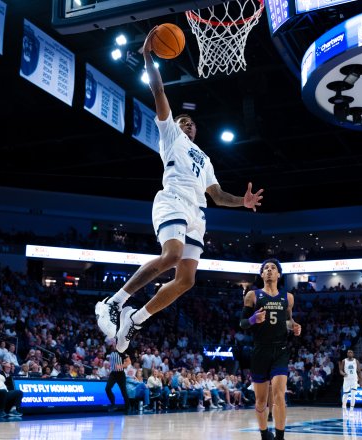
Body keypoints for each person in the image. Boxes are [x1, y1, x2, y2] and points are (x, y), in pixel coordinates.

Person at [95, 25, 264, 354]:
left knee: (186, 281)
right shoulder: (170, 135)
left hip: (197, 213)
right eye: (182, 120)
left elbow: (216, 195)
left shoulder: (205, 158)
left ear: (196, 131)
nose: (185, 123)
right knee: (170, 255)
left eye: (190, 123)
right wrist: (147, 58)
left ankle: (137, 318)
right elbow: (158, 93)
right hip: (172, 200)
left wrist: (241, 202)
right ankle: (112, 302)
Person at [239, 259, 301, 440]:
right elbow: (242, 323)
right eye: (265, 268)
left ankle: (280, 437)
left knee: (279, 396)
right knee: (260, 401)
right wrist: (253, 320)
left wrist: (294, 326)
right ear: (261, 274)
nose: (269, 271)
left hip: (280, 350)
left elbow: (288, 321)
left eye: (273, 268)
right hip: (260, 351)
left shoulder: (288, 297)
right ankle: (265, 433)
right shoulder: (252, 295)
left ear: (279, 275)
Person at [104, 346, 129, 412]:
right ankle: (113, 405)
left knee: (123, 391)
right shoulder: (110, 352)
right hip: (113, 374)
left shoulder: (122, 352)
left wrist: (121, 366)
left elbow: (129, 362)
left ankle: (127, 408)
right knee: (107, 389)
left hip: (120, 374)